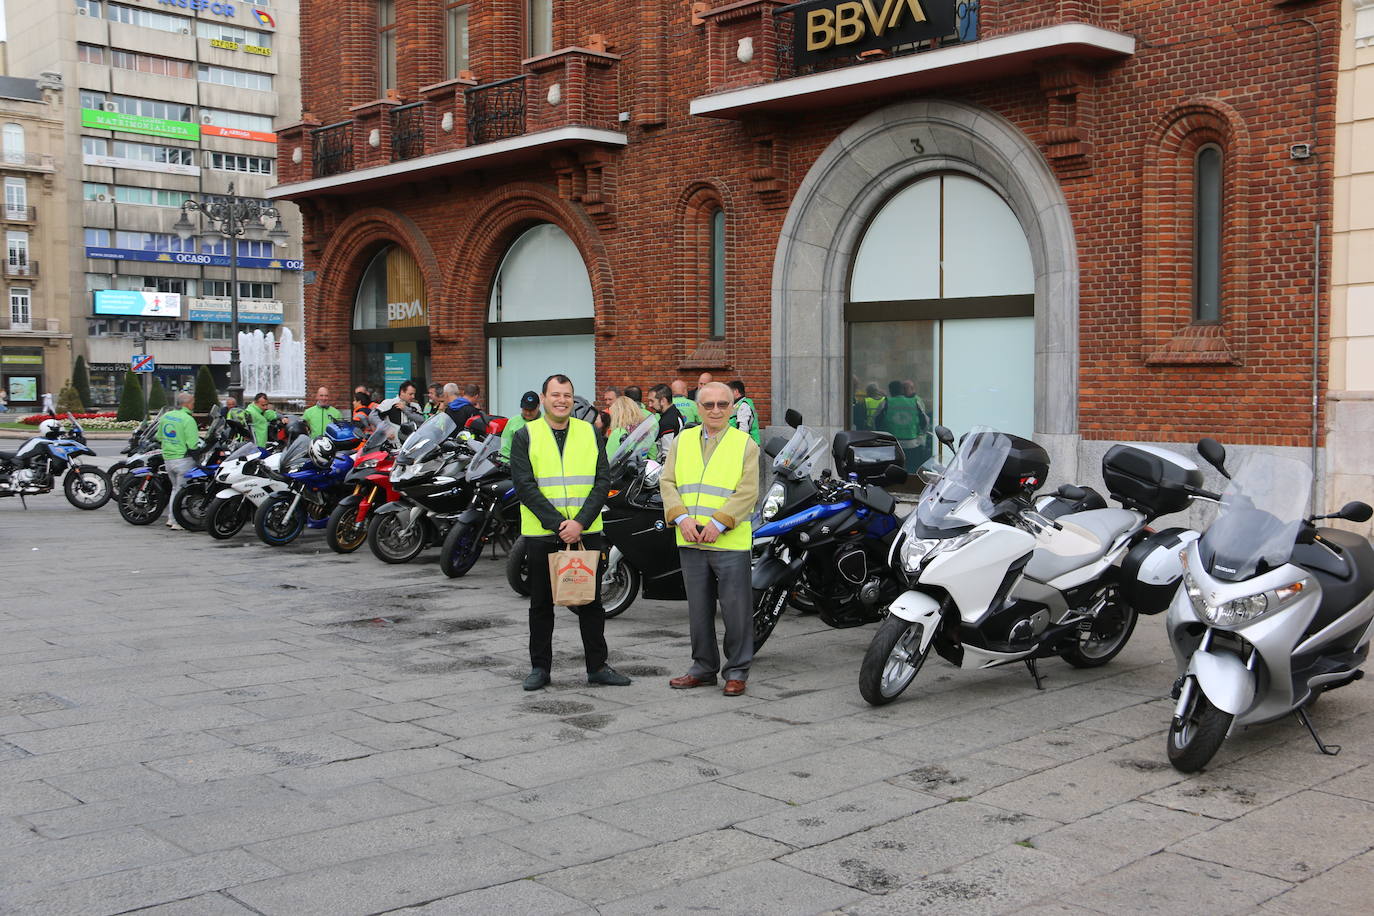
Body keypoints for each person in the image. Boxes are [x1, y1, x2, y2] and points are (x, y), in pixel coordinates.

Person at [508, 373, 631, 691]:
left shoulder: (590, 432)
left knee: (590, 602)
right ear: (544, 398)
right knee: (541, 604)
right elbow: (524, 485)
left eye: (567, 395)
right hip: (543, 534)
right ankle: (540, 668)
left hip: (585, 532)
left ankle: (598, 666)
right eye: (555, 395)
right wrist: (559, 525)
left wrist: (579, 523)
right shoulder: (526, 435)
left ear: (573, 399)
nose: (561, 400)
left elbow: (603, 480)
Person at [661, 381, 760, 696]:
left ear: (732, 407)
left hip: (728, 541)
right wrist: (681, 517)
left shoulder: (745, 444)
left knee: (736, 611)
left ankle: (737, 670)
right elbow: (668, 482)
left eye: (722, 404)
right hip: (690, 538)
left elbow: (747, 492)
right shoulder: (682, 441)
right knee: (698, 610)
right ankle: (703, 668)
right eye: (709, 405)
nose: (715, 410)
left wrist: (719, 523)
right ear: (698, 407)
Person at [158, 391, 201, 530]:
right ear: (187, 404)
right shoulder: (188, 419)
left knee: (175, 489)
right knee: (182, 491)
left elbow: (159, 437)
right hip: (183, 459)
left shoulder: (167, 416)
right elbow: (193, 444)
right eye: (193, 403)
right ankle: (177, 521)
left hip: (168, 458)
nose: (193, 405)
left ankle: (171, 518)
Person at [881, 379, 931, 471]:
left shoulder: (887, 402)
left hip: (893, 445)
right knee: (912, 472)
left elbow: (877, 421)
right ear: (901, 390)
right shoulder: (915, 401)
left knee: (894, 472)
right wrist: (919, 436)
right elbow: (925, 422)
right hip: (912, 444)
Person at [500, 390, 541, 458]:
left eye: (531, 410)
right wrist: (507, 463)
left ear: (538, 406)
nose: (528, 413)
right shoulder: (513, 421)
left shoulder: (546, 422)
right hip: (516, 465)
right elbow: (505, 447)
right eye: (525, 409)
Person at [726, 380, 760, 444]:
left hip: (747, 445)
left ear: (736, 392)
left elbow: (743, 430)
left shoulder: (744, 406)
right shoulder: (737, 405)